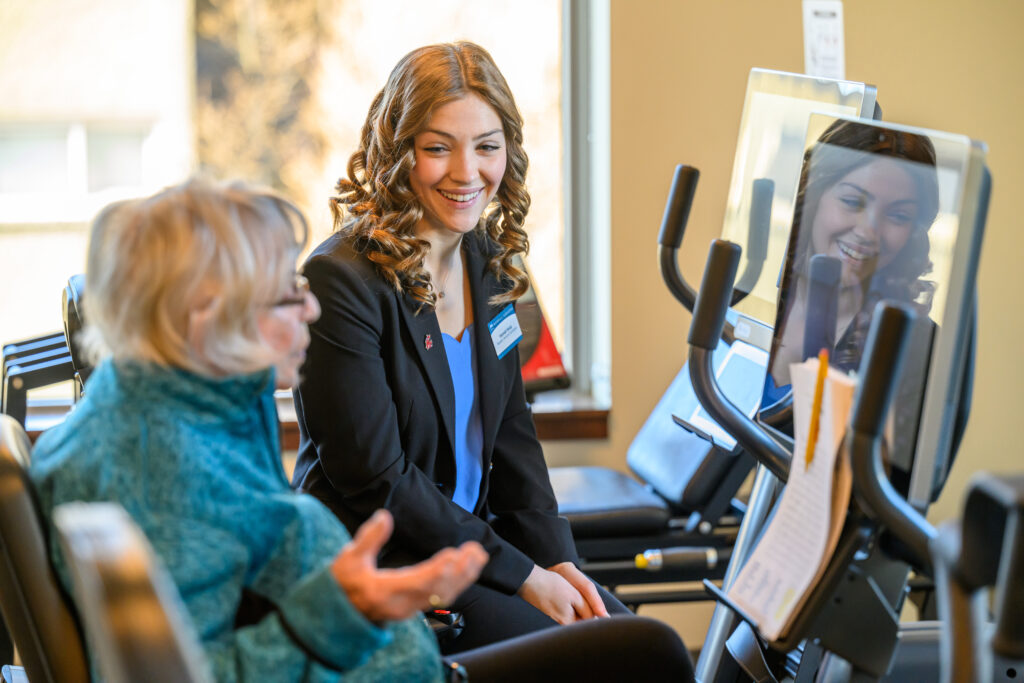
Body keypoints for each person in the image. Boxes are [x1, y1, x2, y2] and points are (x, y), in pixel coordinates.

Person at [30, 179, 694, 682]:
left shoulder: (195, 399)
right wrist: (340, 608)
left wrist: (359, 599)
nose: (311, 307)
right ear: (208, 322)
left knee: (624, 633)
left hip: (389, 649)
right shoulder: (153, 464)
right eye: (286, 297)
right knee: (651, 651)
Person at [291, 41, 630, 652]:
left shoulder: (489, 262)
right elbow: (379, 482)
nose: (467, 172)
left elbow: (511, 433)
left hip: (475, 548)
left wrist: (557, 562)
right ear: (398, 153)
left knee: (638, 643)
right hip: (393, 568)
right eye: (438, 147)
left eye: (487, 146)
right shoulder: (339, 280)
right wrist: (522, 575)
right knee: (615, 660)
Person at [767, 118, 940, 391]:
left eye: (898, 216)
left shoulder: (919, 350)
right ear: (812, 197)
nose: (868, 232)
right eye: (851, 201)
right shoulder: (760, 300)